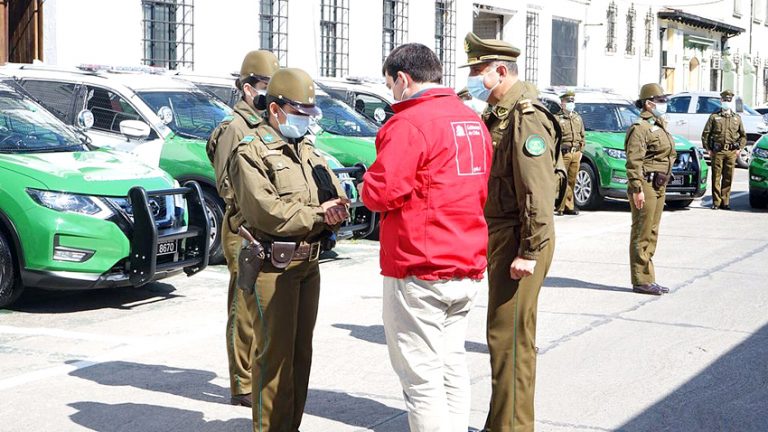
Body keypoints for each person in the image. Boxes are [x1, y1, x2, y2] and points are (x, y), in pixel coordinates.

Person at [361, 43, 493, 432]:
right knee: (451, 365)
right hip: (465, 260)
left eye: (390, 85)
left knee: (421, 379)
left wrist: (366, 182)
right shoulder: (470, 120)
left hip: (421, 265)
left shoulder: (409, 123)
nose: (391, 93)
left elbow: (383, 192)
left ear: (403, 79)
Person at [227, 67, 349, 431]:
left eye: (309, 114)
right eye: (299, 113)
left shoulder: (308, 150)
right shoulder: (250, 152)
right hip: (272, 266)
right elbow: (267, 213)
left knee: (299, 356)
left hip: (308, 265)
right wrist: (319, 214)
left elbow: (333, 190)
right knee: (273, 357)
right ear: (276, 110)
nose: (305, 121)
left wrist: (337, 207)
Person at [462, 31, 559, 432]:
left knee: (511, 341)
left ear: (500, 71)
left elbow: (538, 192)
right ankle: (500, 422)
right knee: (503, 338)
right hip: (505, 234)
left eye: (477, 71)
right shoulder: (500, 112)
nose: (471, 79)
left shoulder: (526, 116)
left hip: (521, 238)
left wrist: (529, 251)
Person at [206, 50, 279, 408]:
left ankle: (258, 371)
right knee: (244, 304)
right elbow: (227, 186)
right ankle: (242, 383)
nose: (272, 95)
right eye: (267, 87)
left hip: (269, 227)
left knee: (265, 304)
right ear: (248, 88)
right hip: (244, 227)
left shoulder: (269, 122)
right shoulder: (233, 129)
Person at [625, 83, 676, 296]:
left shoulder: (658, 123)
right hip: (645, 183)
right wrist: (637, 188)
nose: (664, 104)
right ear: (649, 103)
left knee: (652, 230)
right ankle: (641, 279)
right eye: (661, 100)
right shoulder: (640, 128)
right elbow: (633, 161)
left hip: (659, 183)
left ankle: (649, 277)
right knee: (642, 230)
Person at [701, 89, 746, 210]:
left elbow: (743, 136)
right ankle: (716, 202)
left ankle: (725, 202)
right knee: (716, 177)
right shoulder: (714, 117)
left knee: (728, 177)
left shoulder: (737, 118)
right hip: (717, 151)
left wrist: (739, 149)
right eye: (725, 100)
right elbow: (706, 134)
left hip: (731, 152)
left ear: (731, 102)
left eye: (729, 100)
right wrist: (708, 149)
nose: (726, 102)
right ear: (721, 101)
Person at [555, 89, 585, 216]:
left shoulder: (577, 118)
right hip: (564, 153)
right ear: (562, 102)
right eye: (568, 101)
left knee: (572, 181)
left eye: (572, 101)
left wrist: (581, 151)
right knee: (562, 180)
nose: (570, 103)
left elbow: (582, 136)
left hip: (575, 153)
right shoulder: (557, 118)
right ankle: (560, 207)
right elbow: (554, 138)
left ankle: (569, 205)